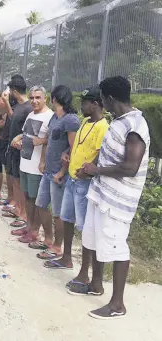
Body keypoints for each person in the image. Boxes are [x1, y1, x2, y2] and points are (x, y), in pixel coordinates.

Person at [79, 76, 150, 320]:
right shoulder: (118, 121)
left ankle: (117, 304)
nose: (101, 103)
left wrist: (96, 170)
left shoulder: (135, 126)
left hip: (118, 201)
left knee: (117, 247)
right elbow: (108, 156)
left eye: (102, 98)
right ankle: (96, 284)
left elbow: (130, 167)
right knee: (95, 238)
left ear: (109, 98)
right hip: (101, 195)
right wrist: (90, 169)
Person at [47, 85, 108, 275]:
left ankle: (85, 270)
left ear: (96, 104)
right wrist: (67, 153)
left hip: (85, 182)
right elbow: (77, 146)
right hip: (72, 179)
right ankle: (66, 258)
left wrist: (87, 171)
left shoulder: (102, 127)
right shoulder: (85, 122)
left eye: (85, 103)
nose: (81, 106)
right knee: (66, 218)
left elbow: (99, 153)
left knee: (85, 228)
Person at [33, 85, 80, 260]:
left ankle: (57, 247)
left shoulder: (71, 120)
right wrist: (43, 160)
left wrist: (62, 171)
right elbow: (51, 139)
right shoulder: (55, 117)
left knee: (59, 213)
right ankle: (48, 239)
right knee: (41, 204)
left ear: (54, 99)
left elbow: (73, 148)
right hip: (48, 170)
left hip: (60, 174)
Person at [10, 86, 54, 245]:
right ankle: (29, 226)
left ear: (45, 99)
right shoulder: (30, 114)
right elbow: (27, 133)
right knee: (28, 196)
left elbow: (51, 140)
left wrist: (43, 161)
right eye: (32, 98)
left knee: (36, 200)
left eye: (38, 97)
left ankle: (36, 231)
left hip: (37, 167)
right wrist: (18, 138)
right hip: (25, 161)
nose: (34, 101)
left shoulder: (50, 117)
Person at [3, 77, 32, 230]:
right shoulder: (19, 106)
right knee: (15, 180)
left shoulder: (28, 107)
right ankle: (18, 208)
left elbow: (31, 130)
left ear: (14, 90)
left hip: (22, 150)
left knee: (21, 183)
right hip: (12, 149)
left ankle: (23, 213)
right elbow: (13, 118)